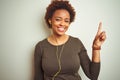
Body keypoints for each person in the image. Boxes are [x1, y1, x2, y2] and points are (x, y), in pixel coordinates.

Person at [34, 0, 106, 80]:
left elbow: (93, 75)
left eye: (66, 21)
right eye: (58, 19)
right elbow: (38, 77)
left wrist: (96, 48)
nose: (62, 24)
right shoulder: (40, 47)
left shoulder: (76, 43)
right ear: (50, 20)